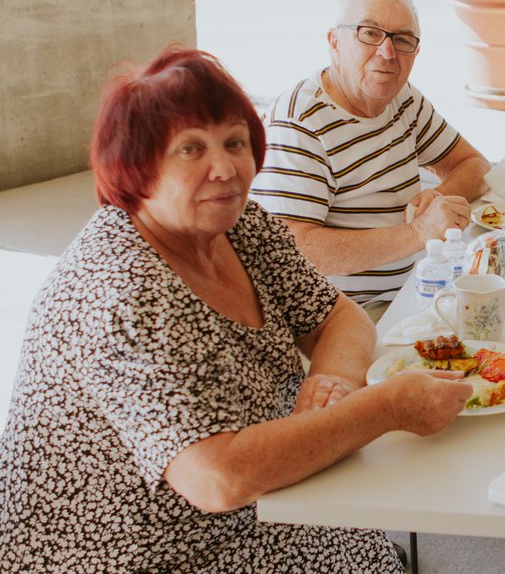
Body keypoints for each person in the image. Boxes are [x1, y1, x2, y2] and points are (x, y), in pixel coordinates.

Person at [0, 49, 472, 572]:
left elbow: (340, 317)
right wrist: (382, 410)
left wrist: (331, 383)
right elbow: (217, 478)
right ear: (137, 167)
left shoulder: (240, 224)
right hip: (157, 550)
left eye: (234, 142)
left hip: (259, 501)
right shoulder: (120, 292)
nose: (223, 168)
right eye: (190, 149)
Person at [252, 0, 490, 319]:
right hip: (341, 319)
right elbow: (294, 248)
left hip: (415, 293)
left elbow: (475, 165)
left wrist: (438, 197)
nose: (387, 52)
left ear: (416, 54)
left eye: (402, 40)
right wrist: (417, 233)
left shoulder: (403, 98)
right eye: (369, 33)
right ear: (335, 42)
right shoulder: (299, 123)